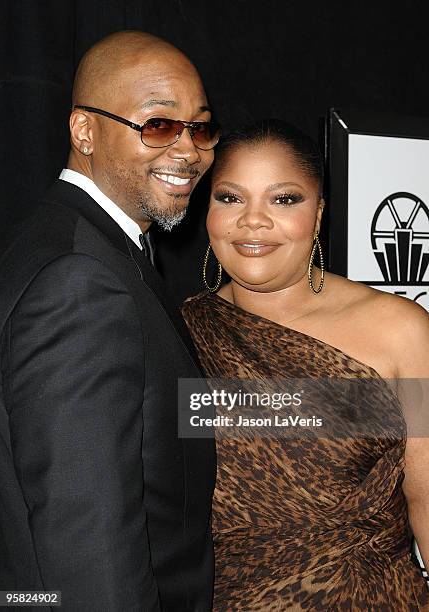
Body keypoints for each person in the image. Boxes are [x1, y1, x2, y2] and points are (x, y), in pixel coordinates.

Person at [0, 31, 218, 611]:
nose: (190, 150)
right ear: (84, 131)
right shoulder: (80, 280)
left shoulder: (80, 248)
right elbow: (89, 548)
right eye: (159, 125)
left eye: (201, 128)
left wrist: (381, 401)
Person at [182, 119, 429, 610]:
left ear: (318, 215)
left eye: (284, 199)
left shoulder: (400, 330)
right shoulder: (180, 334)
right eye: (230, 197)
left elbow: (426, 495)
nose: (253, 220)